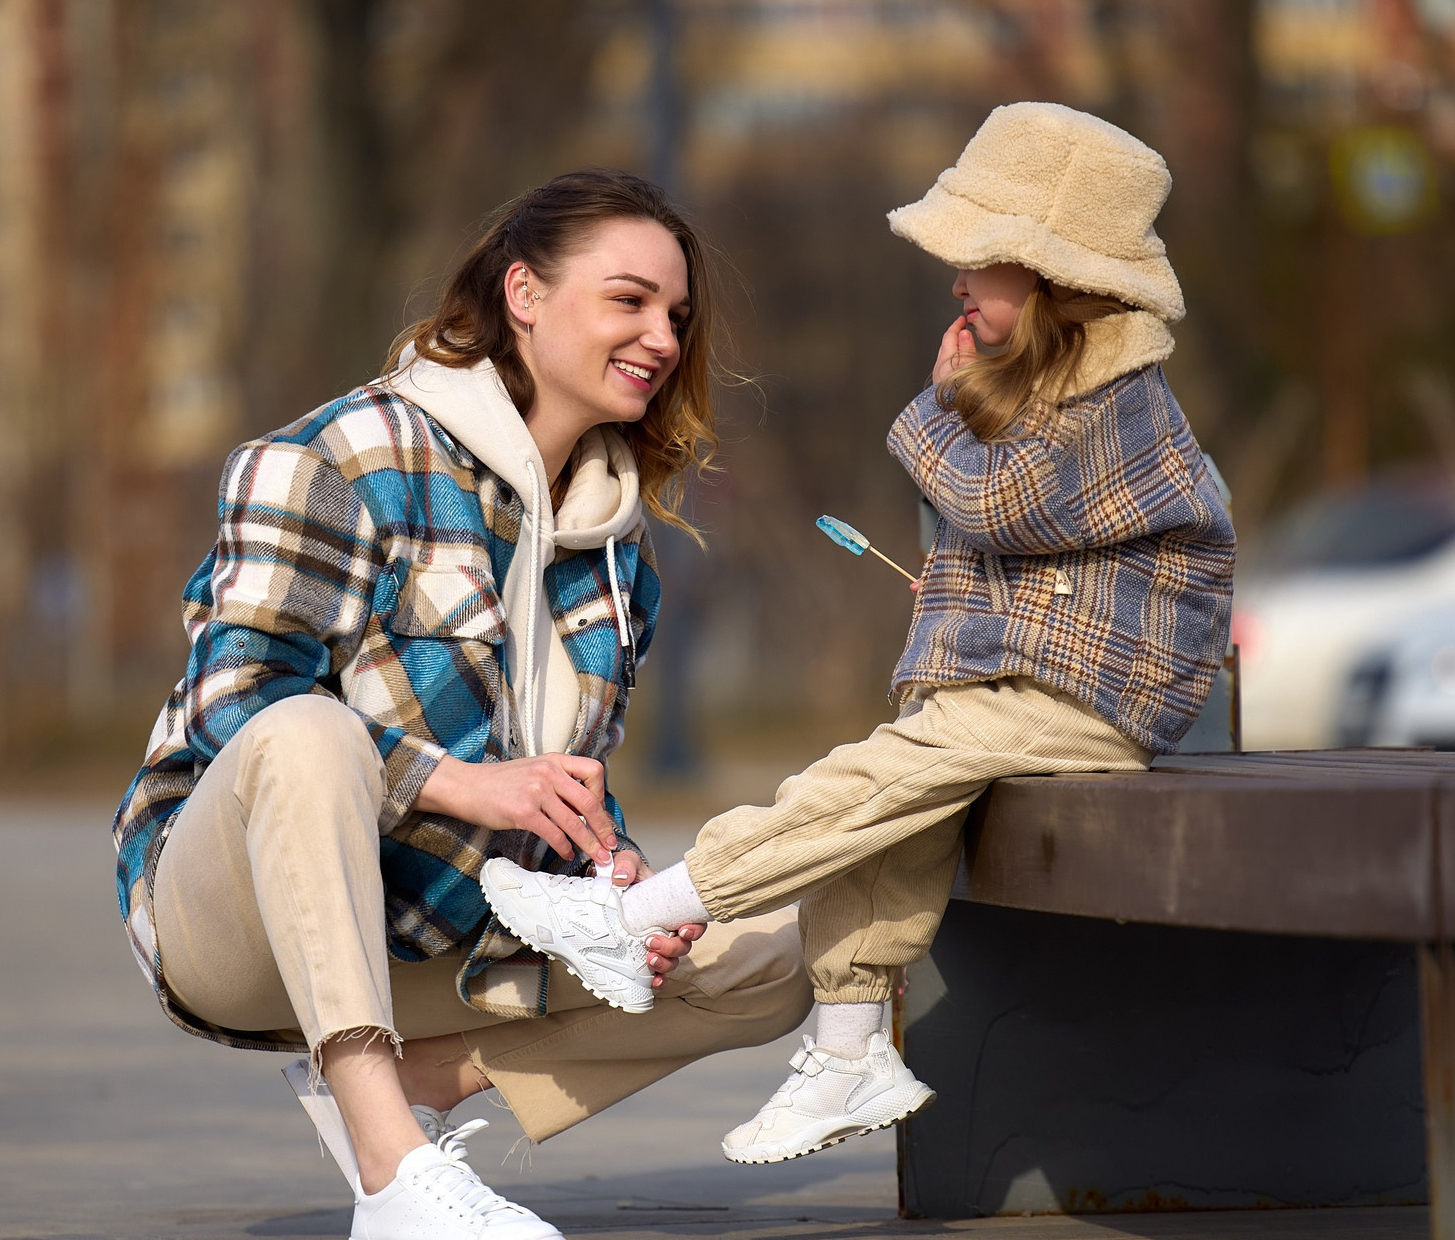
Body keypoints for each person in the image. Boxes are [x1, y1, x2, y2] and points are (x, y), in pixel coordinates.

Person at [486, 102, 1237, 1163]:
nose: (955, 283)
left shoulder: (1119, 399)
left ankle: (646, 912)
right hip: (1035, 684)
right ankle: (849, 1052)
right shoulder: (1059, 385)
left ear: (1055, 278)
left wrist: (941, 406)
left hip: (1093, 698)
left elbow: (1003, 510)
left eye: (976, 262)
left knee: (861, 789)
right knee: (883, 823)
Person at [111, 170, 812, 1240]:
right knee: (307, 730)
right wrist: (461, 785)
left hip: (439, 929)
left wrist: (609, 865)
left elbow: (557, 777)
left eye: (676, 315)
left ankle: (408, 1087)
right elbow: (230, 706)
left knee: (771, 952)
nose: (662, 336)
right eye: (628, 301)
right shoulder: (336, 457)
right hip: (234, 916)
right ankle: (392, 1177)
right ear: (524, 295)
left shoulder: (618, 552)